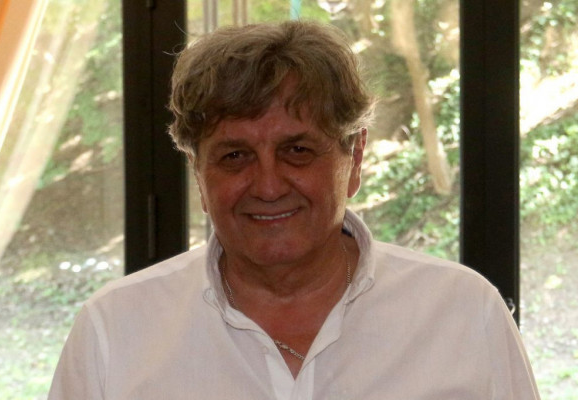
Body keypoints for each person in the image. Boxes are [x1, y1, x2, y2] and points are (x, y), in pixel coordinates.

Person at [48, 20, 540, 399]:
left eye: (297, 150)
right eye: (235, 156)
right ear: (198, 172)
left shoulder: (463, 314)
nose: (267, 185)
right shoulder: (114, 332)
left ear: (354, 158)